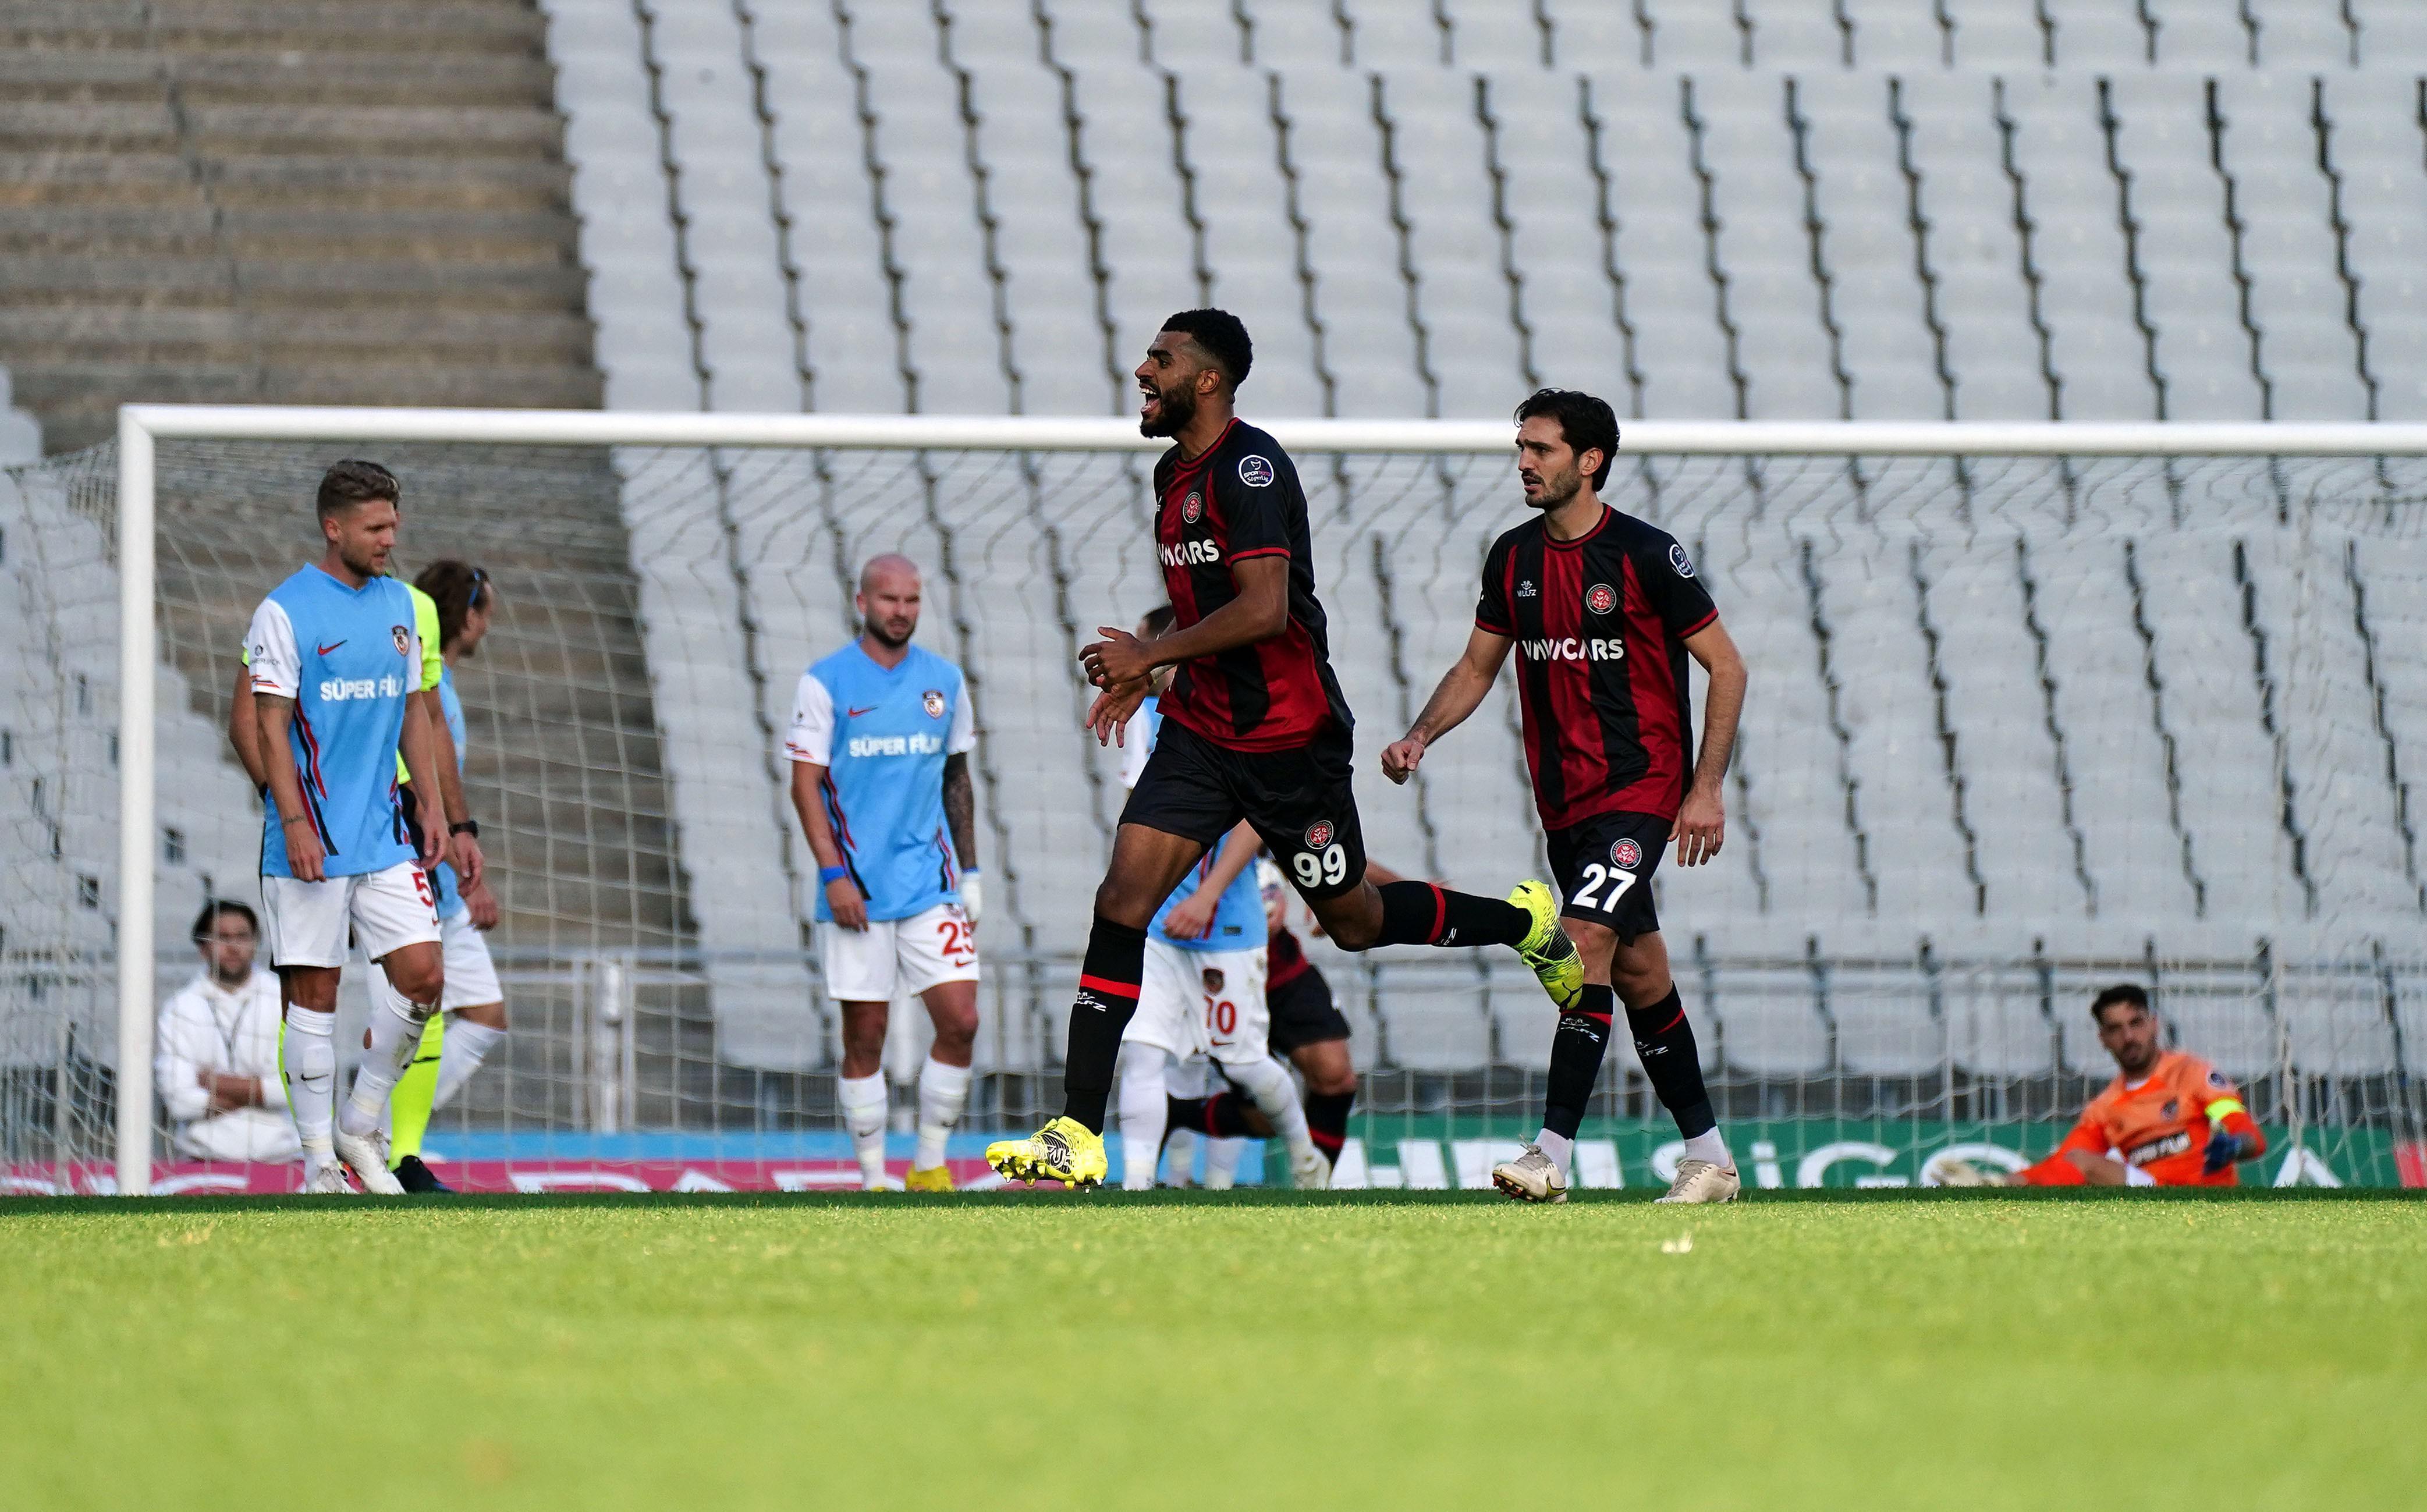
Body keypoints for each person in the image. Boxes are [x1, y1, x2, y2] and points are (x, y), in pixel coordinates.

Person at [985, 308, 1581, 1189]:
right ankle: (1077, 1127)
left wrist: (1147, 653)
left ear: (1209, 380)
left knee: (1353, 921)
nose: (1143, 370)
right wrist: (1155, 678)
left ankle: (1524, 924)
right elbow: (1205, 612)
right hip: (1201, 729)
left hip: (1288, 740)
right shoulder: (1169, 475)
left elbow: (1264, 609)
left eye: (1163, 359)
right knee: (1121, 901)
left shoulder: (1250, 468)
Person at [1382, 389, 1751, 1206]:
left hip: (1641, 788)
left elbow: (1726, 665)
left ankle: (1549, 1152)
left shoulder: (1647, 555)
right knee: (1640, 970)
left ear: (1588, 461)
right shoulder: (1510, 559)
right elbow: (1476, 666)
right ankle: (1711, 1158)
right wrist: (1419, 735)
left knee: (1581, 937)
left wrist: (1704, 788)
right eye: (1520, 447)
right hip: (1565, 802)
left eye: (1540, 449)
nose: (1523, 462)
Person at [243, 459, 450, 1194]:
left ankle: (362, 1123)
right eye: (376, 527)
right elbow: (267, 728)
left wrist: (430, 802)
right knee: (315, 997)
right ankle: (319, 1165)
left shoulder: (401, 604)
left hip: (384, 832)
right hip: (310, 840)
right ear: (335, 529)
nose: (390, 538)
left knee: (425, 976)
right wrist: (293, 821)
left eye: (394, 524)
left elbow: (417, 710)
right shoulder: (285, 611)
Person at [785, 554, 981, 1192]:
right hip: (858, 894)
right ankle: (873, 1178)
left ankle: (928, 1165)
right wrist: (833, 875)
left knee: (962, 1022)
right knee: (865, 1039)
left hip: (931, 885)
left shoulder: (945, 682)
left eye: (912, 600)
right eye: (890, 599)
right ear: (862, 601)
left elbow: (957, 776)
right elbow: (805, 786)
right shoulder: (825, 683)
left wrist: (971, 871)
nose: (902, 611)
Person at [1112, 606, 1324, 1191]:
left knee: (1241, 1063)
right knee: (1146, 1051)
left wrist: (1206, 895)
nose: (1145, 663)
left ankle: (1305, 1155)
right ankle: (1136, 1190)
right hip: (1158, 922)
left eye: (1153, 650)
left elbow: (1258, 818)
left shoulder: (1244, 714)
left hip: (1227, 920)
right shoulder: (1146, 718)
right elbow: (1136, 813)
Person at [382, 560, 512, 1193]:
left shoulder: (440, 688)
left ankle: (385, 1132)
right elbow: (416, 778)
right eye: (487, 611)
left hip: (438, 867)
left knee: (483, 1013)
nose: (489, 625)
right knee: (418, 1003)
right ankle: (380, 1133)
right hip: (412, 865)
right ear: (468, 616)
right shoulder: (425, 693)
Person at [1163, 858, 1378, 1186]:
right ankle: (1174, 1116)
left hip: (1283, 972)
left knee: (1336, 1076)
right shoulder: (1186, 832)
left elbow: (1333, 857)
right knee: (1265, 1115)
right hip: (1219, 976)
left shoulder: (1263, 818)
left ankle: (1315, 1189)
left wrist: (1336, 901)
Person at [1949, 985, 2268, 1187]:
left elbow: (2252, 1137)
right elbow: (2064, 1165)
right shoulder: (2105, 1108)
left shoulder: (2194, 1074)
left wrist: (2235, 1146)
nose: (2129, 1037)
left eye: (2136, 1023)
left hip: (2213, 1200)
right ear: (2102, 1039)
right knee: (2076, 1171)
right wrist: (1997, 1182)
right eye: (2115, 1029)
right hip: (2155, 1197)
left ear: (2154, 1023)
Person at [155, 900, 296, 1163]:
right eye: (222, 937)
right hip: (202, 1159)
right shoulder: (181, 1007)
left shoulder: (284, 999)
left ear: (256, 943)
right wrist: (256, 1091)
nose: (233, 947)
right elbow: (178, 1102)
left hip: (283, 1158)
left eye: (242, 937)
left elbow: (293, 1090)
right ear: (203, 947)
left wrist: (215, 1082)